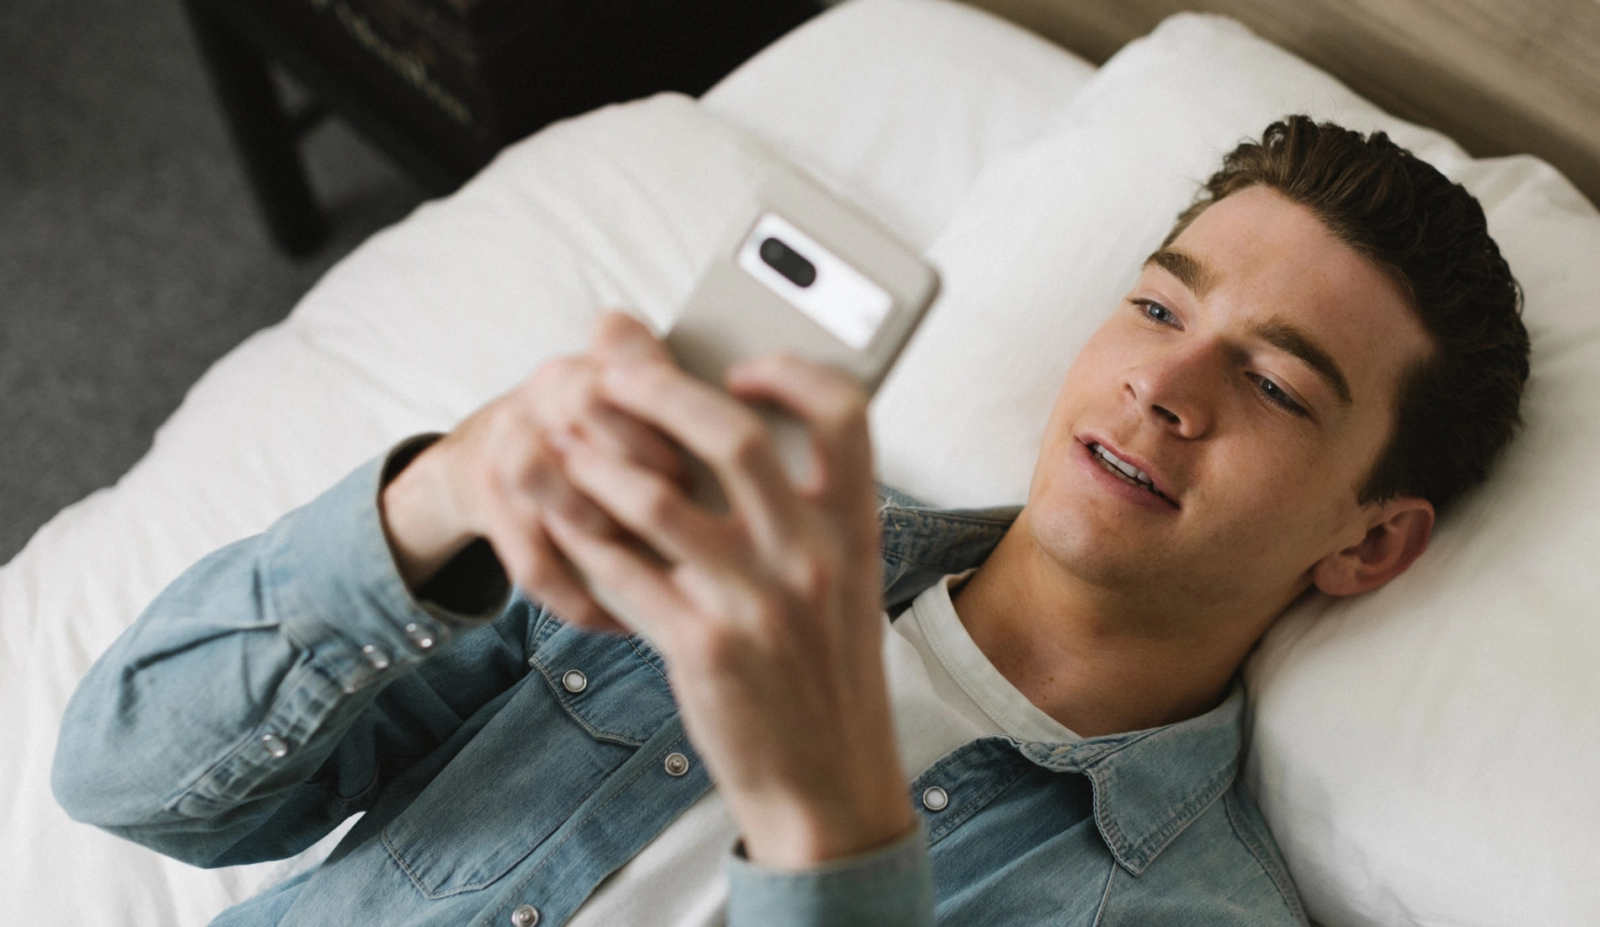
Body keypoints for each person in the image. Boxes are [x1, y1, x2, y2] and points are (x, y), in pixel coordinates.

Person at [54, 116, 1529, 926]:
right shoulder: (695, 529)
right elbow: (127, 779)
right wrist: (437, 497)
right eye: (1156, 304)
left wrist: (826, 819)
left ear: (1370, 541)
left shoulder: (1186, 915)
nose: (1165, 383)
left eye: (1272, 381)